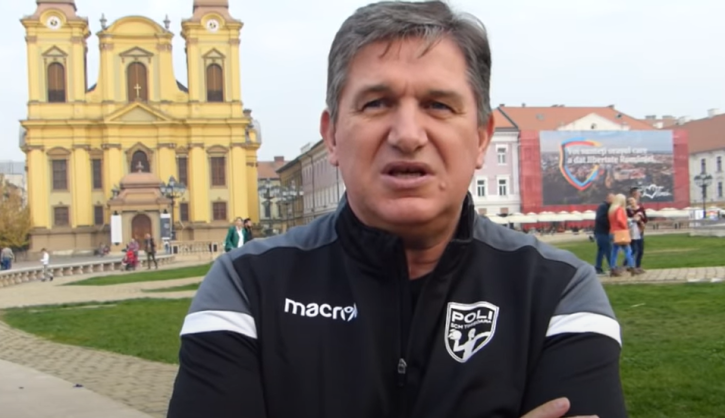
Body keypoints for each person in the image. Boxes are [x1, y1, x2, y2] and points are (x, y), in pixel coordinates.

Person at [167, 2, 626, 418]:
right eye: (377, 103)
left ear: (482, 137)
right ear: (332, 136)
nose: (407, 134)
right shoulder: (248, 287)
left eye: (438, 105)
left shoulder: (556, 292)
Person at [608, 194, 636, 277]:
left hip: (612, 232)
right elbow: (620, 220)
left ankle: (612, 268)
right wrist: (625, 226)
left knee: (614, 252)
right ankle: (632, 267)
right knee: (628, 250)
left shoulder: (611, 210)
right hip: (620, 232)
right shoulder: (619, 209)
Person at [624, 187, 647, 273]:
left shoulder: (640, 208)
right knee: (633, 249)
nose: (639, 195)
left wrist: (641, 220)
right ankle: (627, 265)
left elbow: (645, 219)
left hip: (640, 230)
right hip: (632, 232)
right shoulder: (627, 210)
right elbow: (626, 220)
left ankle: (638, 266)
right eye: (638, 193)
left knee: (640, 249)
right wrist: (634, 219)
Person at [593, 192, 614, 275]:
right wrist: (610, 223)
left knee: (601, 250)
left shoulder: (607, 207)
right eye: (613, 198)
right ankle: (612, 267)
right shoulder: (603, 207)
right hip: (602, 232)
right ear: (608, 198)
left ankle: (598, 267)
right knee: (608, 249)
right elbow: (600, 218)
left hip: (603, 232)